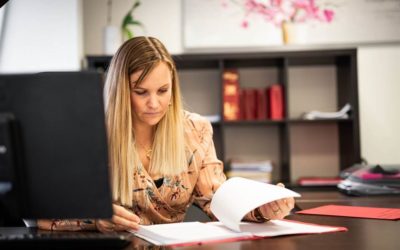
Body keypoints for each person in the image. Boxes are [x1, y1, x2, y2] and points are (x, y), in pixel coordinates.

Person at [37, 36, 295, 232]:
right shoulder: (87, 133)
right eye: (141, 92)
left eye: (163, 91)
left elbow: (218, 200)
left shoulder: (195, 130)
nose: (154, 103)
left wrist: (261, 208)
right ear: (120, 91)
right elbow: (38, 212)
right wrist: (93, 217)